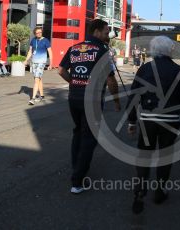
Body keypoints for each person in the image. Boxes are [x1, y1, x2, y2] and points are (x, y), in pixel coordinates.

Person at [126, 36, 180, 214]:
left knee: (144, 155)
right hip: (170, 121)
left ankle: (140, 188)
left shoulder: (144, 69)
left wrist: (132, 120)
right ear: (169, 50)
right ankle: (160, 190)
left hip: (148, 120)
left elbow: (134, 96)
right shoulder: (178, 70)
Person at [58, 19, 116, 194]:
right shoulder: (102, 51)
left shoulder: (74, 48)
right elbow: (111, 79)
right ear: (97, 32)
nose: (108, 36)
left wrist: (74, 83)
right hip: (92, 100)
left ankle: (77, 166)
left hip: (74, 97)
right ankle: (77, 180)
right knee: (89, 137)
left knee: (78, 131)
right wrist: (118, 100)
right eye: (106, 32)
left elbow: (61, 70)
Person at [24, 27, 53, 105]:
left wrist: (51, 63)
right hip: (34, 62)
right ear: (35, 33)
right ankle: (42, 96)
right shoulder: (33, 40)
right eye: (37, 33)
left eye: (40, 32)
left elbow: (50, 52)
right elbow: (30, 51)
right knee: (38, 79)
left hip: (41, 62)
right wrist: (26, 60)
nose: (39, 34)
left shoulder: (46, 40)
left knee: (36, 79)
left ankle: (32, 98)